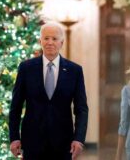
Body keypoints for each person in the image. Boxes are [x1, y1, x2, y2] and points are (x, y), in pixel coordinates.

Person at [9, 21, 89, 160]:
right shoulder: (26, 68)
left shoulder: (74, 71)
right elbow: (15, 107)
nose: (50, 42)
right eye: (46, 38)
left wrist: (79, 138)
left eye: (54, 38)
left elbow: (81, 109)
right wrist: (14, 137)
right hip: (32, 142)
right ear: (40, 41)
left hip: (64, 143)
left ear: (61, 43)